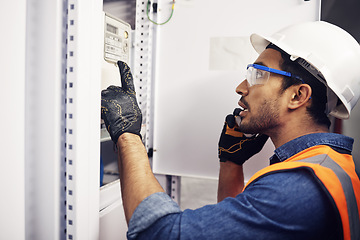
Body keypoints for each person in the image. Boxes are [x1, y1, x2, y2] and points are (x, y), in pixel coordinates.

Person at [101, 21, 360, 240]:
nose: (241, 87)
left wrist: (128, 135)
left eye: (258, 74)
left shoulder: (298, 186)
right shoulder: (325, 164)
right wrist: (231, 161)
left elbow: (159, 232)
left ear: (297, 96)